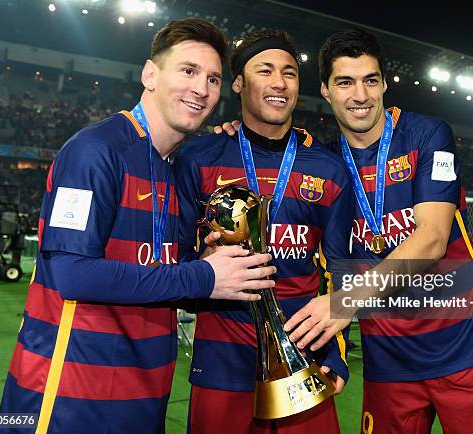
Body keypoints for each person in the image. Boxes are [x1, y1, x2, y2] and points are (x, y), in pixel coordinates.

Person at [0, 19, 276, 434]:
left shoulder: (178, 171)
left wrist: (213, 269)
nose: (201, 88)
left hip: (144, 400)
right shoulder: (94, 152)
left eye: (213, 78)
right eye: (188, 71)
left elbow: (168, 276)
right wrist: (202, 275)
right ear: (150, 74)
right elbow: (72, 275)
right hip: (69, 398)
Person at [282, 29, 473, 434]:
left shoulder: (426, 134)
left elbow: (431, 239)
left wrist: (344, 302)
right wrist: (232, 132)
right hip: (388, 362)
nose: (360, 95)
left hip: (466, 349)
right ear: (325, 90)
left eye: (370, 80)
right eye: (345, 82)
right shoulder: (323, 165)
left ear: (384, 84)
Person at [174, 29, 353, 434]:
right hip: (221, 361)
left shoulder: (327, 168)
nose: (279, 82)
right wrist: (201, 266)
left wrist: (336, 351)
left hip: (305, 357)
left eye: (289, 73)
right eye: (265, 70)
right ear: (238, 83)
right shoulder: (198, 160)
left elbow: (342, 269)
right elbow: (176, 265)